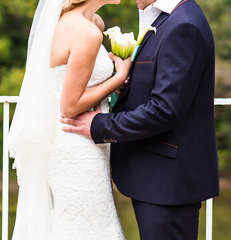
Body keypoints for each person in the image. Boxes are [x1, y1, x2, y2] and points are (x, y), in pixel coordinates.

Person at [61, 0, 220, 239]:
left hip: (168, 182)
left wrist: (98, 125)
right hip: (155, 176)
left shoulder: (184, 25)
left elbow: (165, 110)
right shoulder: (165, 19)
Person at [7, 0, 131, 239]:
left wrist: (109, 86)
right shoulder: (87, 32)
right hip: (77, 143)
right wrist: (120, 76)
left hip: (81, 138)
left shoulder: (90, 22)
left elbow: (80, 82)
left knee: (87, 221)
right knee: (86, 225)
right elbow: (70, 105)